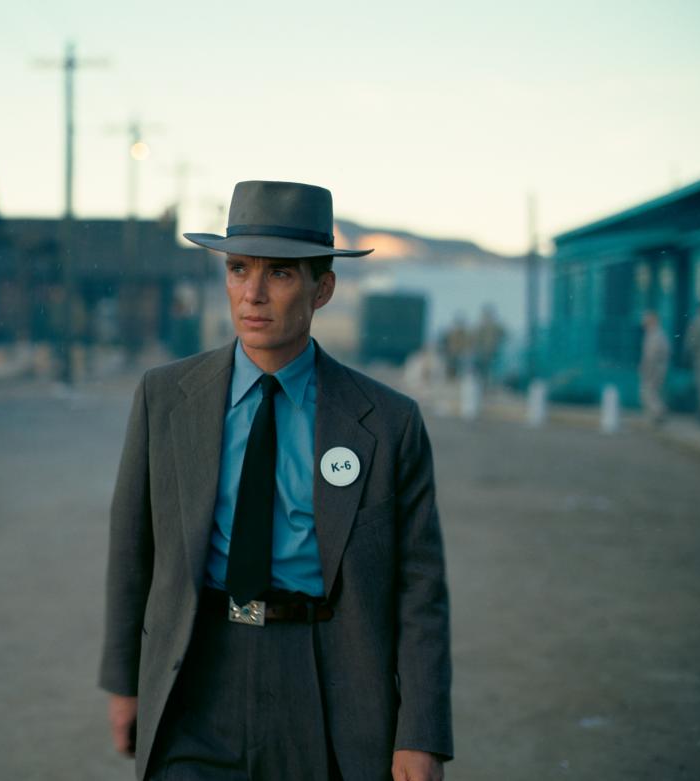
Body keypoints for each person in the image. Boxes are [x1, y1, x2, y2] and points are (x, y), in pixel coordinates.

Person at [100, 181, 452, 781]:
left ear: (324, 288)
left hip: (325, 677)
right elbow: (133, 548)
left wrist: (421, 731)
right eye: (238, 269)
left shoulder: (387, 423)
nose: (253, 294)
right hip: (196, 668)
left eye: (281, 274)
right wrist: (125, 681)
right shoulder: (165, 398)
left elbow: (420, 589)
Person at [638, 310, 670, 426]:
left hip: (653, 368)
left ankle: (659, 411)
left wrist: (646, 369)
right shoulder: (657, 333)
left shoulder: (654, 334)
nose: (644, 322)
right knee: (652, 392)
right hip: (657, 368)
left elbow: (651, 355)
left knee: (648, 392)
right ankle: (656, 415)